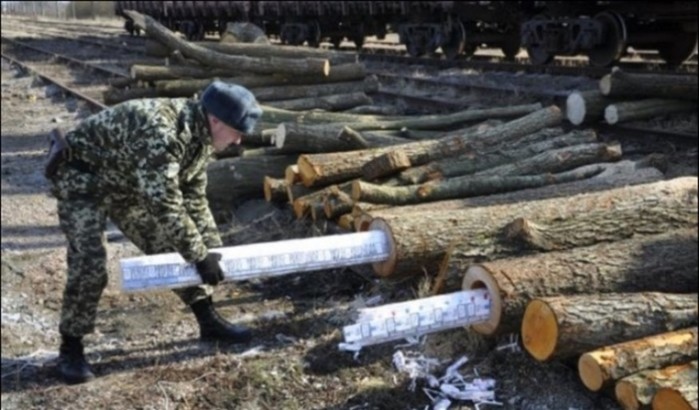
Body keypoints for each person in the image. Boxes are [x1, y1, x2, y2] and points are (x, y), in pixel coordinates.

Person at [45, 81, 263, 384]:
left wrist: (212, 248)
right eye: (237, 131)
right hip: (83, 179)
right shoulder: (163, 132)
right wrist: (199, 255)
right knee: (90, 263)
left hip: (126, 180)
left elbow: (194, 196)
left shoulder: (200, 136)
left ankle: (207, 319)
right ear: (215, 120)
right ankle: (71, 348)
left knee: (170, 247)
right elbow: (165, 204)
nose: (239, 141)